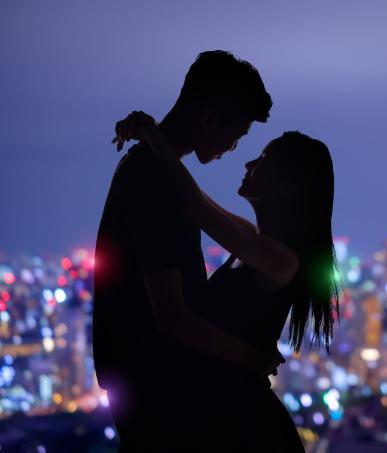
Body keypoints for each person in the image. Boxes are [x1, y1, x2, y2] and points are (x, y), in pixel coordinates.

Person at [112, 110, 341, 451]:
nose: (249, 163)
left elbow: (194, 206)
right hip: (226, 415)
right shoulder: (252, 243)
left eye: (264, 159)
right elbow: (199, 200)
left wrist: (153, 136)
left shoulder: (280, 259)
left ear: (288, 185)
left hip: (244, 425)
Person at [94, 51, 280, 452]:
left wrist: (153, 137)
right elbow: (173, 316)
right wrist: (252, 358)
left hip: (144, 384)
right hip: (159, 390)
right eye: (238, 134)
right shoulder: (155, 181)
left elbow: (197, 203)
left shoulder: (148, 169)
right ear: (210, 119)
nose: (234, 148)